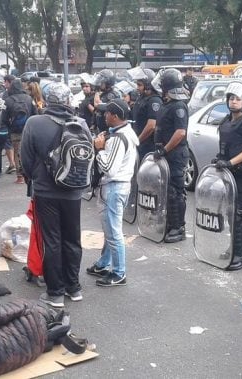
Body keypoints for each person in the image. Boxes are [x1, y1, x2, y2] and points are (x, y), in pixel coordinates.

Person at [21, 82, 89, 307]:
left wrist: (36, 178)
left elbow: (26, 159)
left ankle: (55, 292)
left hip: (45, 192)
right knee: (72, 239)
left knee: (52, 240)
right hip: (73, 191)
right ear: (69, 100)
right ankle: (74, 287)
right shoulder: (80, 123)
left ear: (47, 100)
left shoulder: (34, 123)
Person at [86, 99, 139, 286]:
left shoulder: (117, 138)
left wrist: (99, 149)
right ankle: (103, 263)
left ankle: (119, 272)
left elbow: (109, 168)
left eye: (107, 112)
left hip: (114, 187)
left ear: (115, 116)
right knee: (110, 228)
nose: (103, 115)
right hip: (120, 186)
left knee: (114, 231)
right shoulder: (124, 132)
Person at [212, 83, 242, 271]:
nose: (234, 101)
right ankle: (234, 248)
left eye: (238, 98)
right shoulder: (226, 120)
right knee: (230, 213)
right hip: (229, 173)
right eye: (231, 98)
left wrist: (231, 162)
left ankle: (241, 255)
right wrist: (221, 159)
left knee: (239, 214)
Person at [152, 68, 190, 243]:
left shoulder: (179, 106)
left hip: (175, 155)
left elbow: (180, 133)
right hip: (166, 153)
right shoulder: (168, 103)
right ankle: (170, 223)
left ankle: (178, 228)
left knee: (176, 191)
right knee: (167, 190)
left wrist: (165, 149)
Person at [3, 78, 38, 184]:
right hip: (28, 130)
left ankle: (20, 177)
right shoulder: (29, 99)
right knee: (29, 152)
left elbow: (4, 119)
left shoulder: (8, 101)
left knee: (17, 153)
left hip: (15, 131)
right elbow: (35, 114)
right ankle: (30, 174)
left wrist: (9, 128)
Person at [131, 68, 161, 158]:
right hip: (139, 142)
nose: (137, 87)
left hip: (147, 145)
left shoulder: (154, 100)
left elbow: (151, 125)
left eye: (139, 85)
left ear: (147, 85)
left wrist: (138, 141)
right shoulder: (142, 98)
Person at [92, 69, 119, 134]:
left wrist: (97, 92)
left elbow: (98, 104)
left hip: (108, 130)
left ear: (108, 83)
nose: (100, 84)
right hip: (100, 129)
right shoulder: (103, 94)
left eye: (102, 82)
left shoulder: (111, 95)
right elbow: (97, 111)